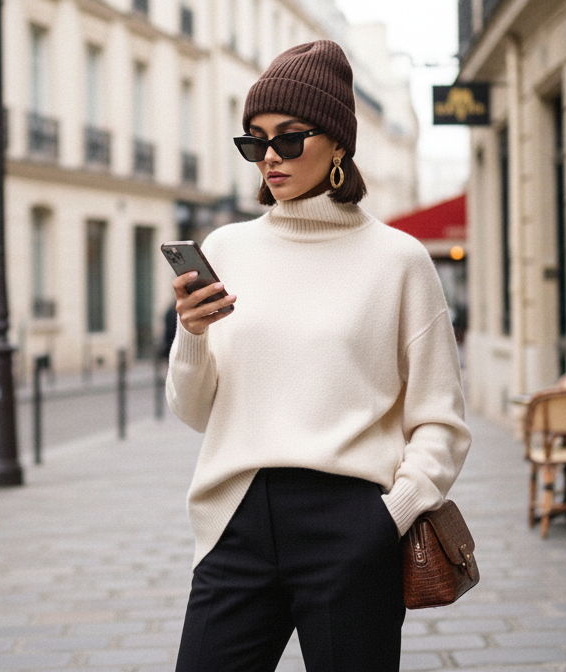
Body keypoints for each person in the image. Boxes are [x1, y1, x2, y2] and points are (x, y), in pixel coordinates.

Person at [166, 40, 471, 671]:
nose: (269, 157)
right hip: (236, 520)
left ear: (337, 143)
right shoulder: (227, 248)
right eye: (254, 141)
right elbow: (194, 413)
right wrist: (192, 335)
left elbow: (440, 419)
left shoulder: (398, 260)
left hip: (352, 525)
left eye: (288, 137)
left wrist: (390, 517)